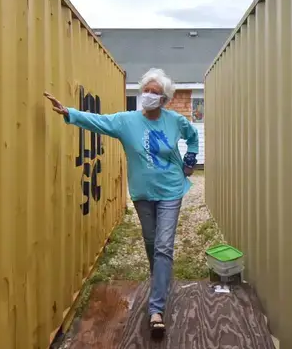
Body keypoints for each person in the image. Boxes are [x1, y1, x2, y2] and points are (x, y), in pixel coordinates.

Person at [44, 68, 199, 339]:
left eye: (155, 93)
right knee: (152, 244)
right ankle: (160, 282)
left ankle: (156, 309)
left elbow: (192, 135)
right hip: (142, 192)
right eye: (146, 91)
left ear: (164, 99)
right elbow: (99, 122)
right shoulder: (127, 122)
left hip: (171, 190)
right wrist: (69, 112)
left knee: (163, 245)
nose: (148, 96)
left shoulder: (174, 120)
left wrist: (190, 160)